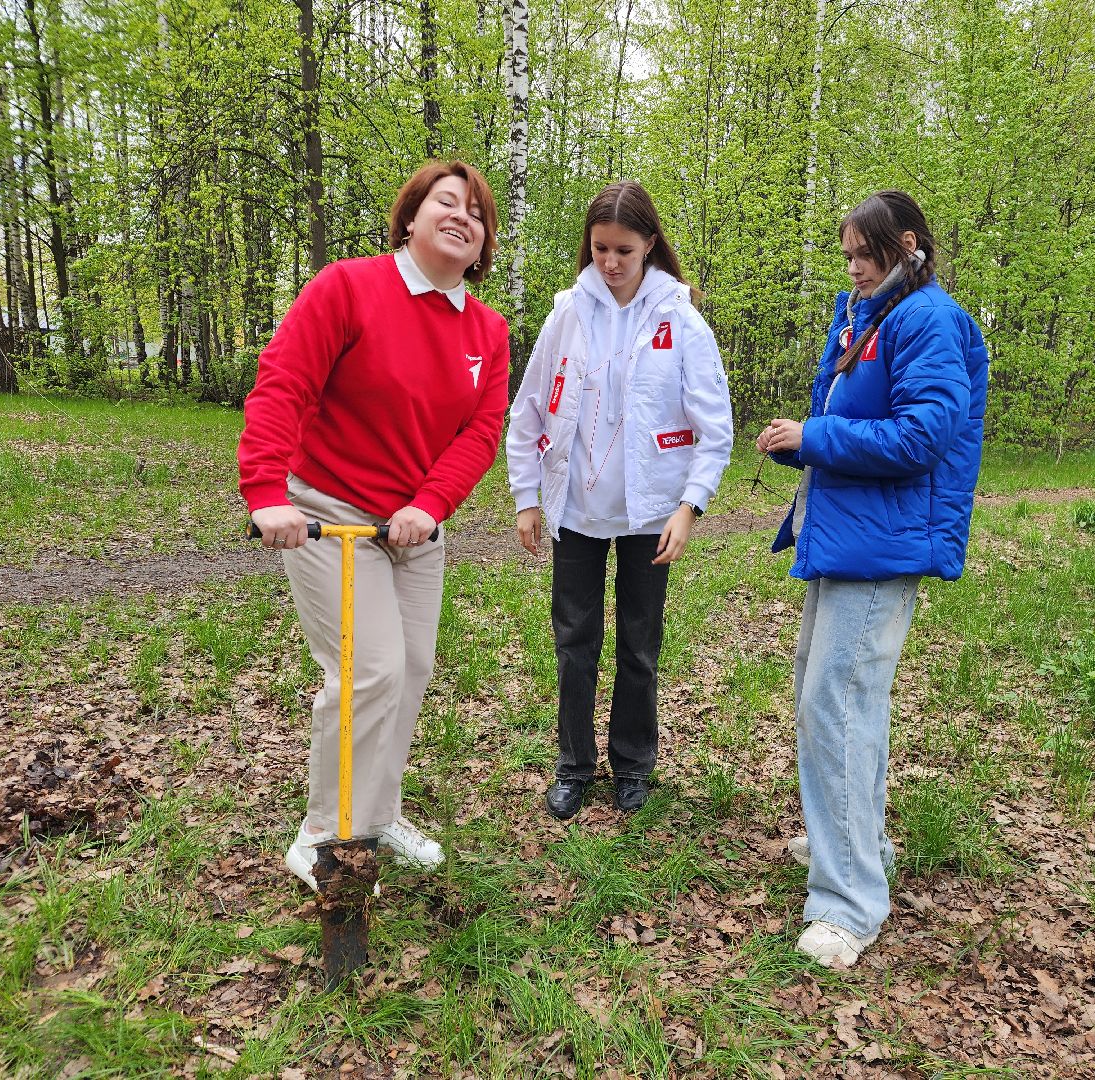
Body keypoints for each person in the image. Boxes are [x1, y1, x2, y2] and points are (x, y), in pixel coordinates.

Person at [237, 160, 510, 890]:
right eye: (445, 203)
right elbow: (285, 381)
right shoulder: (348, 287)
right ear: (410, 217)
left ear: (484, 244)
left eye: (476, 213)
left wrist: (430, 504)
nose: (462, 217)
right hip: (329, 515)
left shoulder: (488, 329)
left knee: (410, 672)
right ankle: (324, 832)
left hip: (415, 529)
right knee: (369, 670)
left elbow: (480, 433)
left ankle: (376, 813)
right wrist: (266, 490)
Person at [756, 190, 987, 967]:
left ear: (908, 245)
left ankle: (849, 903)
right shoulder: (870, 318)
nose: (853, 266)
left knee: (839, 702)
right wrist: (805, 445)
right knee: (830, 698)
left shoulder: (926, 320)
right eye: (848, 254)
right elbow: (862, 418)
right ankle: (857, 846)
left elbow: (924, 434)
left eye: (866, 253)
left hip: (884, 546)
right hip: (847, 536)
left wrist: (815, 434)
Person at [506, 181, 734, 820]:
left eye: (624, 251)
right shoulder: (567, 316)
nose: (609, 263)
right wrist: (529, 498)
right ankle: (574, 767)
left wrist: (688, 507)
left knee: (640, 641)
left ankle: (633, 766)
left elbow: (714, 427)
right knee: (574, 640)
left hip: (650, 514)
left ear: (649, 247)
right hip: (577, 509)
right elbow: (526, 412)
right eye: (600, 248)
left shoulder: (681, 321)